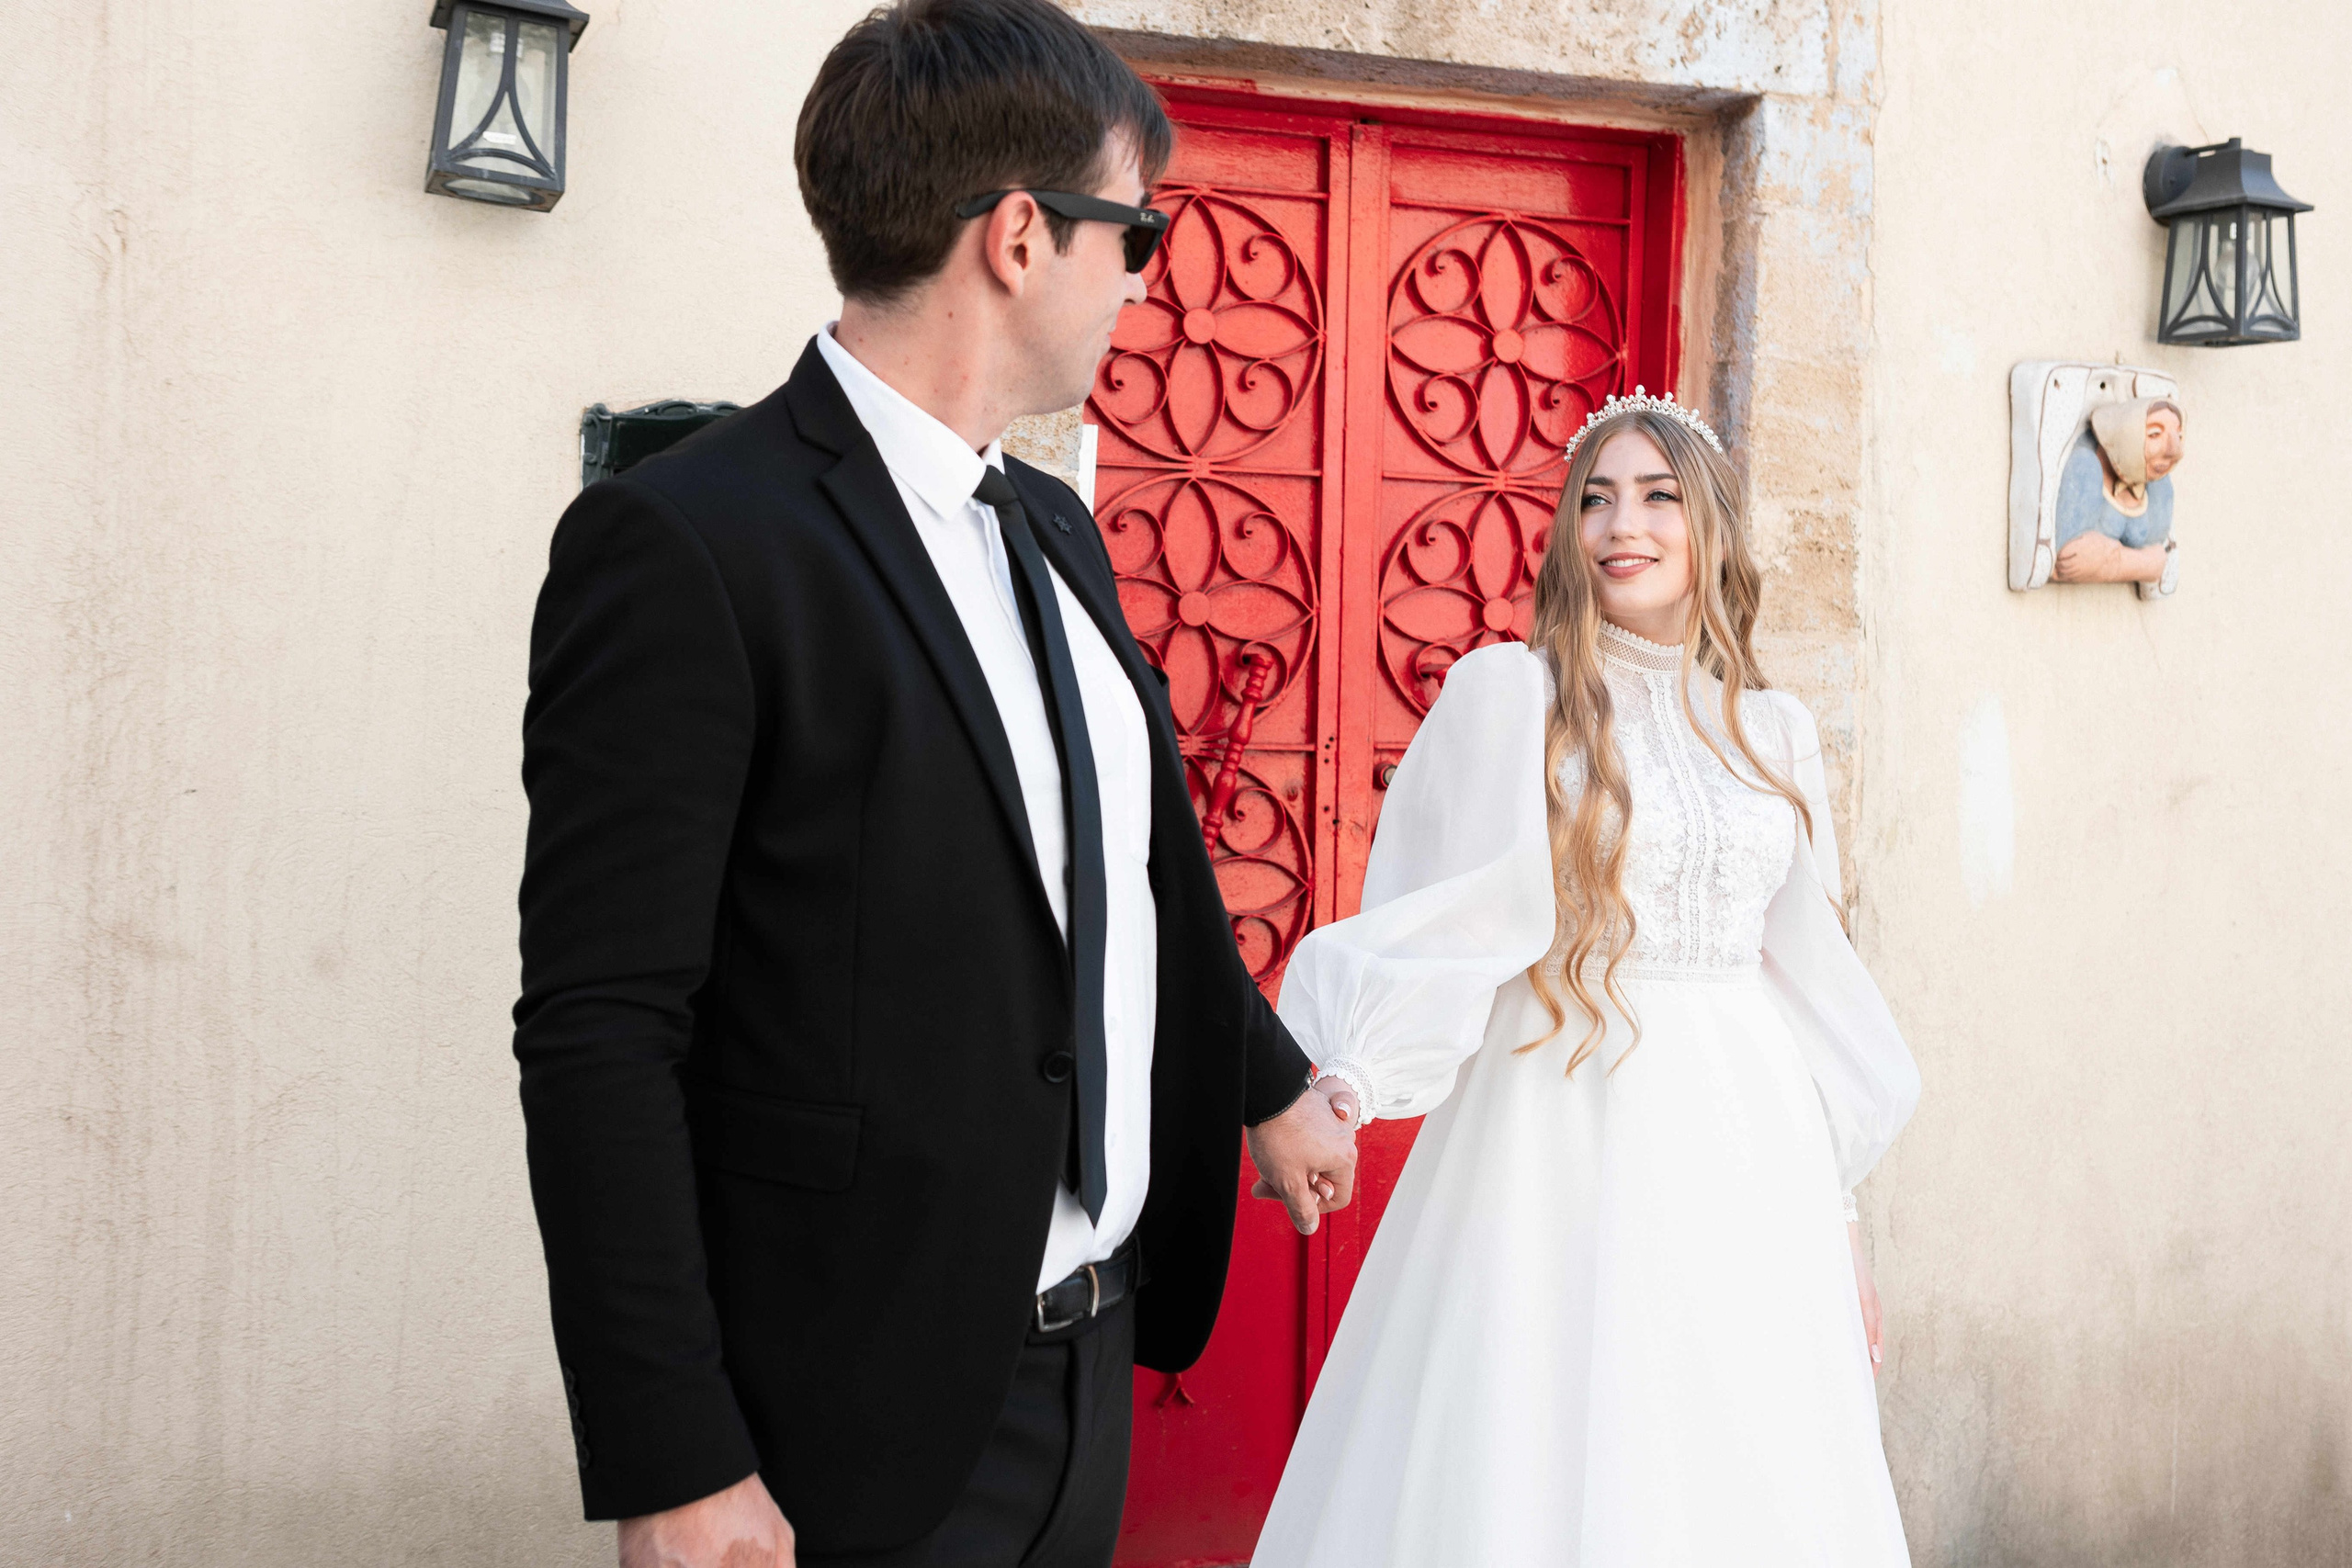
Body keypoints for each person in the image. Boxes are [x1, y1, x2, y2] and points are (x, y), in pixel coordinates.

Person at [510, 3, 1359, 1564]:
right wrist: (672, 1456)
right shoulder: (692, 543)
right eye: (1138, 236)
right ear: (1024, 237)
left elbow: (1136, 878)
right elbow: (600, 1028)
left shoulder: (1055, 529)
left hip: (1086, 1372)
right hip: (845, 1408)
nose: (1140, 286)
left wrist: (1266, 1078)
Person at [1252, 391, 1922, 1566]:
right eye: (1595, 499)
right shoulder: (1512, 700)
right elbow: (1445, 915)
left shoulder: (1776, 731)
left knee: (1739, 1455)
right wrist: (1345, 1079)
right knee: (1537, 1440)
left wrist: (1841, 1226)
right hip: (1557, 1124)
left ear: (1709, 524)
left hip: (1749, 1152)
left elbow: (1812, 986)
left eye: (1659, 497)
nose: (1623, 524)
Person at [2052, 396, 2185, 592]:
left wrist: (2109, 559)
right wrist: (2148, 564)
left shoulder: (2159, 485)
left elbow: (2162, 567)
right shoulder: (2084, 467)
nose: (2175, 450)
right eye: (2154, 434)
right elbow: (2071, 562)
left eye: (2179, 436)